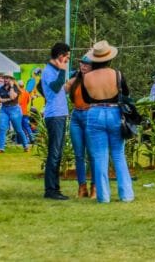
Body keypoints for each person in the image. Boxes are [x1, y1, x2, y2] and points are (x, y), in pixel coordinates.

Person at [81, 40, 135, 203]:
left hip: (94, 113)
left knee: (99, 157)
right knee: (118, 155)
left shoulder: (87, 77)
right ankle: (126, 194)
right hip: (114, 113)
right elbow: (125, 93)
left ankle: (103, 196)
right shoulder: (117, 74)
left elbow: (85, 98)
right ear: (109, 58)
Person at [41, 42, 71, 200]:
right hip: (54, 116)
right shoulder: (48, 71)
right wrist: (62, 71)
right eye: (67, 57)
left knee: (57, 153)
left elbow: (60, 89)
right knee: (54, 153)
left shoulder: (53, 70)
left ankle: (54, 188)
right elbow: (55, 87)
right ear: (60, 56)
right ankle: (51, 189)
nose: (67, 60)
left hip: (59, 114)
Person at [66, 54, 95, 199]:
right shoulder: (74, 81)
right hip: (76, 116)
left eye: (87, 64)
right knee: (79, 155)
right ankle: (82, 187)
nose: (83, 66)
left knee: (92, 154)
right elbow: (59, 90)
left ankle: (94, 187)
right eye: (82, 64)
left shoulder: (96, 81)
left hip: (90, 115)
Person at [0, 75, 29, 152]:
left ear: (11, 80)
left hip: (15, 110)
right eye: (4, 78)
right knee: (2, 128)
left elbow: (13, 97)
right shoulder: (1, 88)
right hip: (4, 110)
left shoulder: (15, 88)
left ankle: (25, 145)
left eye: (7, 78)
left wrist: (11, 86)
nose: (5, 79)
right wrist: (7, 99)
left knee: (18, 129)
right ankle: (1, 148)